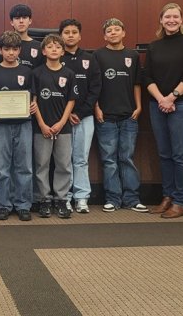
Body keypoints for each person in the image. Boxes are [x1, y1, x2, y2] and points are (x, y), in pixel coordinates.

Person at [144, 3, 183, 219]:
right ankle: (167, 196)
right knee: (164, 153)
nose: (171, 20)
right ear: (161, 20)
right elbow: (147, 76)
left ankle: (180, 201)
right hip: (157, 104)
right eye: (167, 16)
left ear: (181, 19)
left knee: (180, 153)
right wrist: (161, 99)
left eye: (175, 16)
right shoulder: (154, 46)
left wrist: (172, 97)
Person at [94, 18, 146, 213]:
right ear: (104, 35)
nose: (113, 32)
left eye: (117, 29)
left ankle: (132, 199)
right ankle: (113, 198)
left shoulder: (132, 55)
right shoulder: (98, 55)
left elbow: (137, 84)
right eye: (109, 30)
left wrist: (139, 107)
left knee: (127, 158)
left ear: (124, 32)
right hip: (105, 116)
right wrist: (96, 107)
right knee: (109, 159)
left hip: (129, 116)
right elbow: (95, 85)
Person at [0, 31, 38, 221]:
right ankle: (4, 204)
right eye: (6, 49)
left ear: (19, 51)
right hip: (0, 125)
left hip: (24, 123)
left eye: (14, 49)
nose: (10, 53)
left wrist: (33, 103)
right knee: (2, 167)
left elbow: (33, 94)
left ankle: (23, 204)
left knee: (24, 166)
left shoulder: (26, 71)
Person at [59, 19, 101, 213]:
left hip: (84, 117)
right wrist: (66, 115)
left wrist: (81, 112)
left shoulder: (90, 58)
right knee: (63, 159)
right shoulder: (56, 57)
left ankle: (82, 197)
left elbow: (95, 88)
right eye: (66, 32)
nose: (70, 35)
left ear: (80, 35)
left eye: (74, 32)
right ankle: (64, 196)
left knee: (81, 158)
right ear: (61, 35)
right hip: (62, 119)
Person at [32, 34, 75, 219]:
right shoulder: (37, 73)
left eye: (58, 46)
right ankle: (44, 200)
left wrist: (61, 122)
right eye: (50, 47)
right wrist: (42, 124)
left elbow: (71, 101)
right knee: (42, 164)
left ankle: (61, 199)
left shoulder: (69, 74)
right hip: (41, 127)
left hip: (62, 128)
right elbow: (34, 102)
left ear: (63, 51)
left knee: (64, 164)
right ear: (43, 51)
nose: (54, 49)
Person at [9, 4, 44, 69]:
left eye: (24, 18)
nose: (21, 21)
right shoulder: (4, 44)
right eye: (17, 18)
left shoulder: (39, 46)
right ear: (11, 22)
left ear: (30, 21)